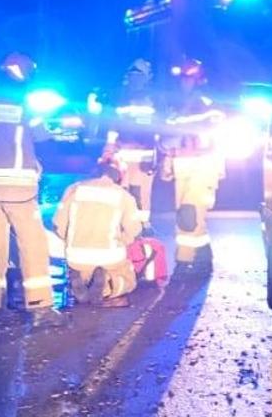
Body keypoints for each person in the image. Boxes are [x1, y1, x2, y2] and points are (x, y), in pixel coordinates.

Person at [0, 52, 63, 326]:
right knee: (32, 244)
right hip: (19, 189)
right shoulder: (25, 105)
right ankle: (39, 307)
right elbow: (44, 138)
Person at [160, 60, 225, 275]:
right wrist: (167, 159)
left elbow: (210, 128)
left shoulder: (208, 102)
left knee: (189, 213)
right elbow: (166, 134)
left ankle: (184, 260)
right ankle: (203, 253)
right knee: (186, 214)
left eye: (188, 79)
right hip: (182, 162)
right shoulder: (174, 104)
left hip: (203, 163)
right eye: (182, 79)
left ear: (198, 80)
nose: (184, 83)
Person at [54, 159, 143, 308]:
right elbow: (134, 230)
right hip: (109, 255)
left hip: (76, 255)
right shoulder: (123, 195)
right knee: (129, 281)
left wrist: (71, 240)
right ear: (117, 177)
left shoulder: (73, 190)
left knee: (84, 272)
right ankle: (107, 287)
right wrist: (123, 241)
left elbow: (58, 225)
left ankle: (80, 283)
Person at [104, 58, 162, 231]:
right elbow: (113, 125)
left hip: (145, 155)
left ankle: (143, 225)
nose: (135, 79)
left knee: (142, 193)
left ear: (147, 78)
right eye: (132, 76)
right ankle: (124, 225)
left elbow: (161, 127)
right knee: (123, 190)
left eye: (139, 76)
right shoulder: (120, 97)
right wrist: (109, 145)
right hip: (123, 154)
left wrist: (160, 153)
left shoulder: (156, 99)